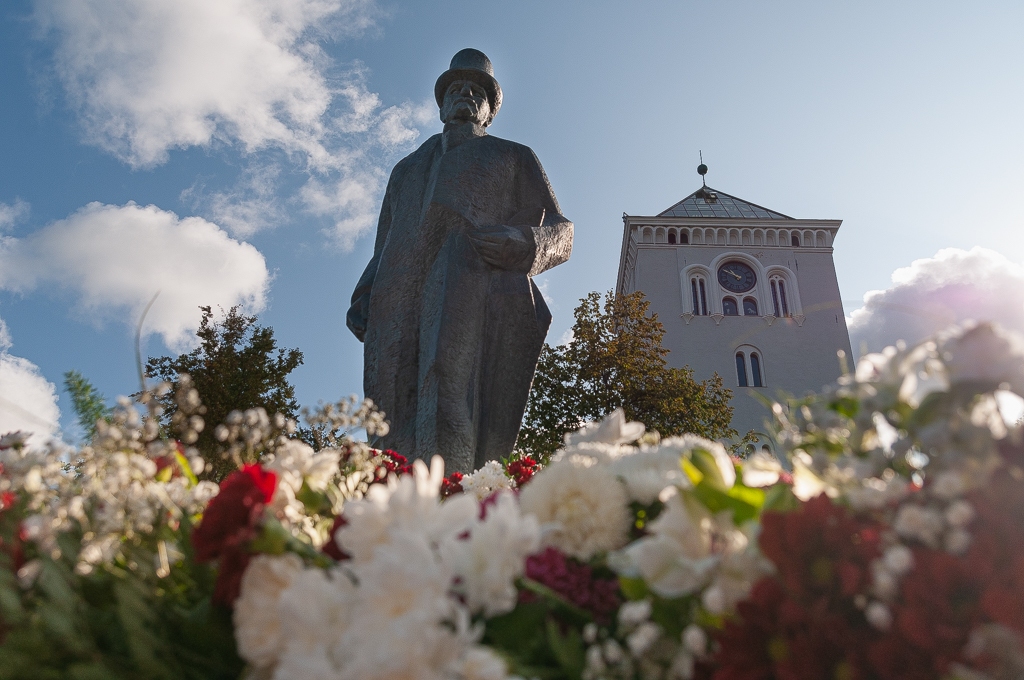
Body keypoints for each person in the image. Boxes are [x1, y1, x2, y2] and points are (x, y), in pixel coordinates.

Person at [346, 48, 573, 473]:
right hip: (396, 298)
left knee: (448, 394)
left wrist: (523, 241)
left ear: (490, 112)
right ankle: (391, 503)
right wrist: (366, 291)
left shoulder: (513, 156)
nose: (465, 94)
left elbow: (562, 232)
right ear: (441, 106)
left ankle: (454, 497)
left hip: (467, 283)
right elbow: (385, 242)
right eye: (455, 89)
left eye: (477, 91)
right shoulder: (406, 169)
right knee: (387, 416)